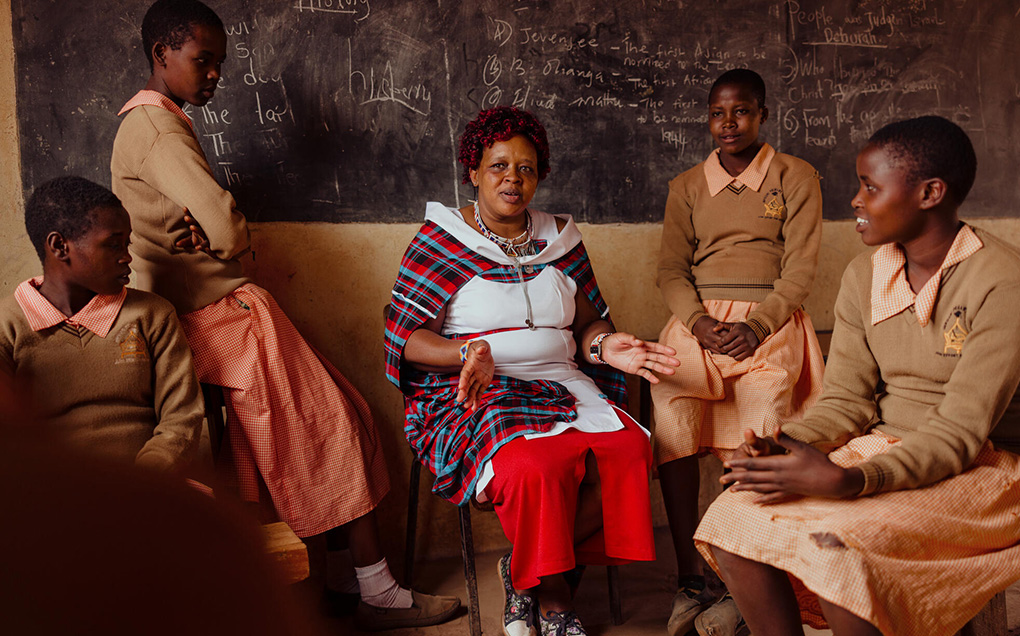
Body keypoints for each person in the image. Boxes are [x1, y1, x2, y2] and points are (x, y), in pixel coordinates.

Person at [109, 0, 458, 628]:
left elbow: (194, 225)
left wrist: (202, 230)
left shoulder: (156, 124)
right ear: (162, 54)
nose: (214, 74)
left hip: (216, 310)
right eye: (201, 60)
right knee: (333, 423)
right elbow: (224, 225)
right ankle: (375, 592)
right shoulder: (157, 127)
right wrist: (225, 231)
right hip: (223, 315)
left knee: (335, 417)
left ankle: (339, 585)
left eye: (219, 63)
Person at [694, 116, 1020, 635]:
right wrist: (782, 444)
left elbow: (960, 431)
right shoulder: (865, 274)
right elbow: (846, 399)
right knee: (732, 517)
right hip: (880, 447)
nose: (856, 200)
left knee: (836, 547)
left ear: (930, 193)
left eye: (870, 186)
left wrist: (850, 480)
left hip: (982, 472)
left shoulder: (1002, 280)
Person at [384, 106, 680, 636]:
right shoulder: (442, 239)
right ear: (473, 171)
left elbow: (590, 322)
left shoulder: (561, 240)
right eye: (498, 166)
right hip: (481, 388)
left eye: (526, 168)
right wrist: (466, 353)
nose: (512, 180)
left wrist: (608, 346)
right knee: (535, 467)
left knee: (631, 455)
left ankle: (523, 577)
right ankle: (555, 599)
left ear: (540, 176)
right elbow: (406, 338)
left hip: (565, 383)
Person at [651, 68, 826, 636]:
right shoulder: (686, 186)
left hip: (769, 324)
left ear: (763, 115)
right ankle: (689, 578)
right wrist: (698, 322)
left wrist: (759, 325)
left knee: (761, 428)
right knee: (671, 412)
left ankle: (750, 577)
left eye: (742, 112)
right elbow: (672, 270)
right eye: (717, 114)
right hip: (697, 324)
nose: (728, 124)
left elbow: (800, 268)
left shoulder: (795, 176)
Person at [0, 176, 202, 473]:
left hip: (148, 488)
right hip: (48, 496)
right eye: (113, 245)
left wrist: (144, 483)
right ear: (59, 246)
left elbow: (181, 420)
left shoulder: (152, 315)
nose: (127, 257)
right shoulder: (8, 325)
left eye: (127, 243)